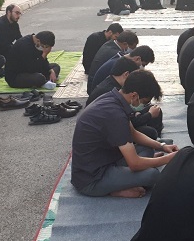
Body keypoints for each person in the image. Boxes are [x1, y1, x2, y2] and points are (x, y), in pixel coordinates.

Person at [71, 70, 179, 198]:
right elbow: (134, 164)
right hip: (91, 178)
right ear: (134, 96)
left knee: (148, 148)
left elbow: (133, 133)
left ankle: (122, 181)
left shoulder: (114, 98)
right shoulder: (115, 115)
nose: (144, 106)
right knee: (152, 175)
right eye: (144, 102)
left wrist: (162, 146)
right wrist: (167, 159)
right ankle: (113, 190)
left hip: (106, 159)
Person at [89, 45, 155, 94]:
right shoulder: (119, 65)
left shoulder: (122, 58)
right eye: (143, 65)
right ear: (137, 59)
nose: (142, 67)